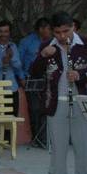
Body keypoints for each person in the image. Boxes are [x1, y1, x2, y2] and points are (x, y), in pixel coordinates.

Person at [31, 12, 87, 174]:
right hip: (57, 104)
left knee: (84, 150)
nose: (63, 36)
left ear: (73, 27)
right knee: (57, 150)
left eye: (66, 31)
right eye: (58, 32)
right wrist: (42, 56)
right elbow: (34, 71)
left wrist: (81, 75)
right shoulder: (47, 46)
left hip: (82, 102)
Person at [19, 17, 52, 147]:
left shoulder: (53, 41)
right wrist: (22, 77)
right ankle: (36, 138)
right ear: (40, 29)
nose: (48, 31)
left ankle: (44, 138)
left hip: (49, 78)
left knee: (47, 108)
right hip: (31, 78)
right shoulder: (27, 42)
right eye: (46, 28)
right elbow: (19, 61)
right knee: (34, 108)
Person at [0, 19, 23, 116]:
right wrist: (1, 62)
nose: (3, 34)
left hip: (11, 88)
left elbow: (18, 66)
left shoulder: (13, 46)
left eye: (6, 31)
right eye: (0, 31)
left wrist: (11, 58)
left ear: (9, 33)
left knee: (11, 119)